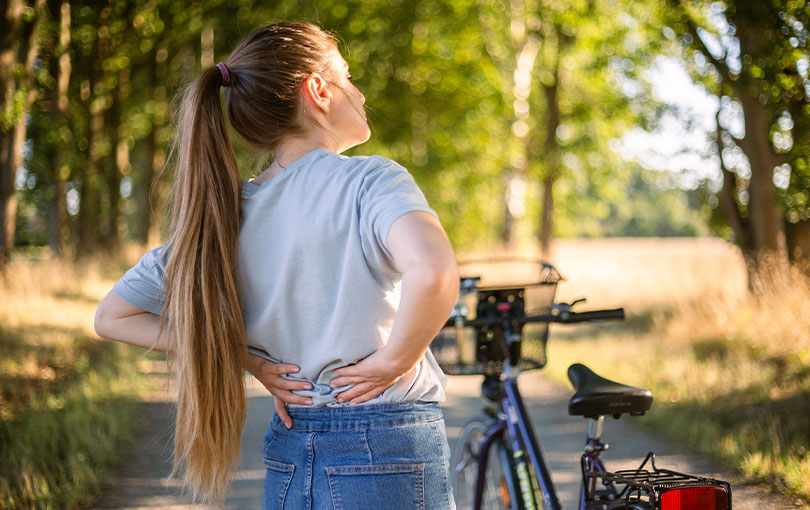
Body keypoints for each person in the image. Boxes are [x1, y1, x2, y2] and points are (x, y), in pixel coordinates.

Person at [93, 21, 459, 509]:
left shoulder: (219, 219)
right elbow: (434, 274)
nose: (361, 93)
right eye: (347, 77)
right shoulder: (372, 181)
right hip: (386, 440)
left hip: (291, 449)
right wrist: (395, 360)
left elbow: (112, 317)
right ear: (318, 90)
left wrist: (252, 362)